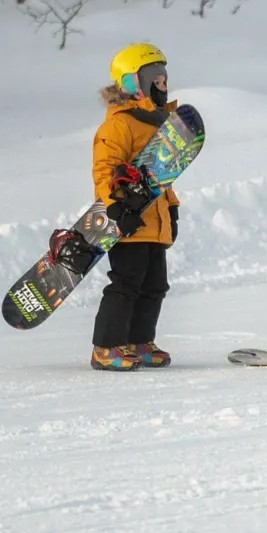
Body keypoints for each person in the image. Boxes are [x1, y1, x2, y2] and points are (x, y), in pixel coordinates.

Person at [88, 43, 184, 370]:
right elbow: (105, 170)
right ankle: (107, 346)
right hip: (127, 219)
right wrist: (115, 207)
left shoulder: (161, 123)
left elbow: (163, 178)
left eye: (164, 77)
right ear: (131, 83)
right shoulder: (119, 124)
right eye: (153, 78)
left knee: (155, 285)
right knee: (126, 283)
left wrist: (171, 209)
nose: (162, 84)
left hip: (155, 223)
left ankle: (139, 341)